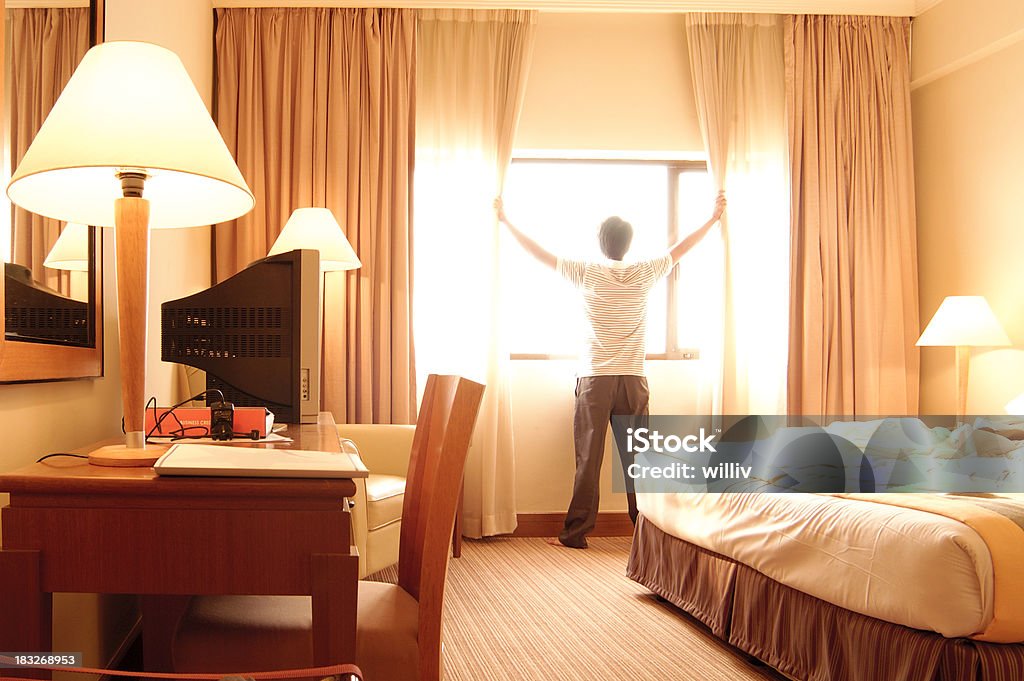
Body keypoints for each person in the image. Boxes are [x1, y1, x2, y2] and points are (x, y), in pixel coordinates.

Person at [494, 192, 726, 548]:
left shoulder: (586, 272)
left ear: (601, 245)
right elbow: (683, 248)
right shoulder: (645, 271)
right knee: (638, 461)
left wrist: (506, 221)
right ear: (627, 245)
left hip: (596, 380)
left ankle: (575, 534)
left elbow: (538, 253)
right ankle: (649, 532)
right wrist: (712, 219)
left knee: (589, 459)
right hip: (633, 379)